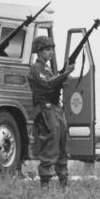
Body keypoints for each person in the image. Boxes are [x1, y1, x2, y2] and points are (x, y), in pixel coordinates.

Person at [26, 36, 76, 188]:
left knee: (62, 144)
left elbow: (55, 83)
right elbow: (47, 86)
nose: (51, 52)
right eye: (47, 49)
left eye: (52, 49)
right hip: (46, 109)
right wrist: (64, 74)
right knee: (50, 146)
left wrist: (63, 76)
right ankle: (45, 183)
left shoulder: (47, 69)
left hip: (56, 108)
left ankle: (63, 181)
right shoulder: (36, 68)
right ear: (39, 51)